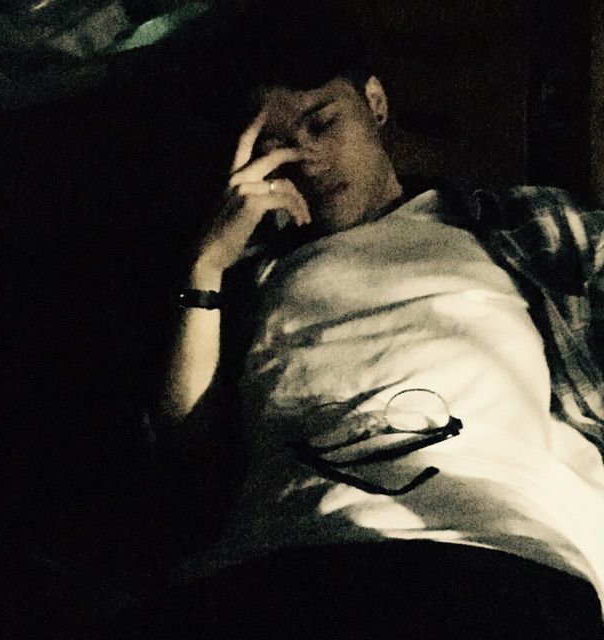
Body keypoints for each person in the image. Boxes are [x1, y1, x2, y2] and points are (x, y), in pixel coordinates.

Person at [103, 2, 604, 638]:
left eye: (322, 122)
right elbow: (187, 446)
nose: (307, 157)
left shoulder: (514, 223)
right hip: (278, 567)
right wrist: (206, 267)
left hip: (487, 553)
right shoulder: (248, 274)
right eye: (276, 147)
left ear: (375, 103)